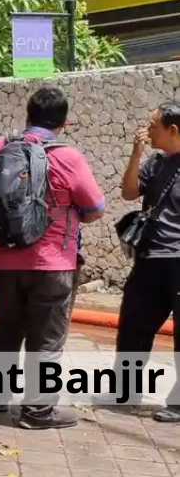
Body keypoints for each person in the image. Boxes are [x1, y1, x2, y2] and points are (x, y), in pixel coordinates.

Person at [0, 86, 105, 429]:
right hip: (53, 262)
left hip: (3, 260)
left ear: (28, 114)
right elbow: (95, 208)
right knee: (47, 336)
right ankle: (37, 412)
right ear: (64, 121)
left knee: (5, 327)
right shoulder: (68, 157)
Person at [116, 102, 180, 421]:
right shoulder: (155, 162)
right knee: (133, 324)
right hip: (149, 257)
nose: (146, 130)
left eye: (153, 126)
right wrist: (135, 153)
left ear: (173, 130)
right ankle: (126, 389)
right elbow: (129, 193)